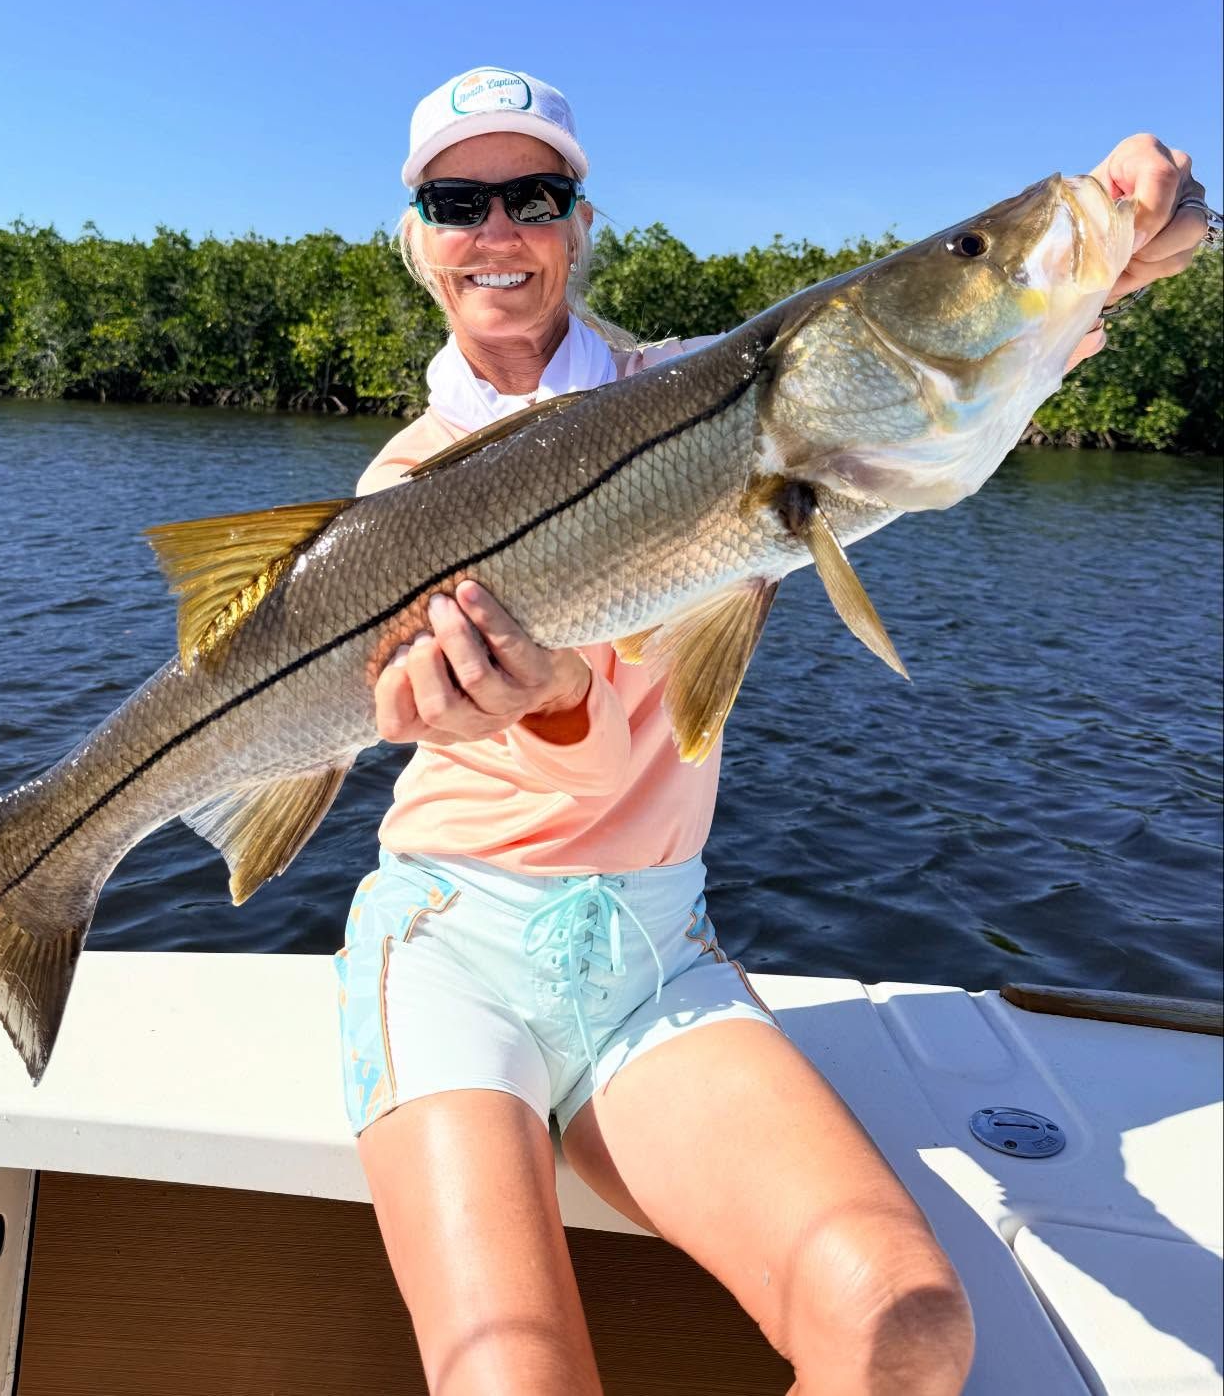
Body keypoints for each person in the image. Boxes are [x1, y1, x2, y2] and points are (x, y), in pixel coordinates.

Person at [334, 67, 1208, 1396]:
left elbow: (1028, 313)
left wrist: (1133, 216)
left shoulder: (703, 385)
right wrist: (540, 700)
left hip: (654, 949)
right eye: (459, 199)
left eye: (535, 193)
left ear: (580, 223)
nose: (497, 226)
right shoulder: (396, 492)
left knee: (907, 1332)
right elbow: (534, 743)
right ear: (418, 239)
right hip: (450, 945)